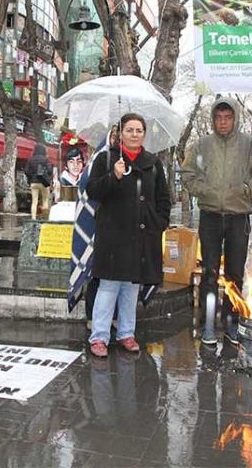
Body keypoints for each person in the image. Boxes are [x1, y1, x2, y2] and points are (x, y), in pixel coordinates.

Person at [181, 97, 252, 345]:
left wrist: (246, 190)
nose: (223, 122)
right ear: (213, 119)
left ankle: (231, 322)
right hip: (210, 216)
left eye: (227, 117)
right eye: (219, 117)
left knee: (234, 274)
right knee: (209, 272)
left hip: (237, 217)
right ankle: (208, 323)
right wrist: (203, 189)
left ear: (235, 118)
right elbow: (187, 174)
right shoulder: (201, 146)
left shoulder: (250, 145)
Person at [86, 113, 171, 357]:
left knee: (132, 287)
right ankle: (99, 337)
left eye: (139, 130)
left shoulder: (153, 163)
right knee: (109, 286)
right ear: (120, 133)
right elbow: (93, 190)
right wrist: (114, 176)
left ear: (144, 134)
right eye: (130, 130)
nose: (134, 134)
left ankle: (126, 333)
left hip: (142, 237)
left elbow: (163, 198)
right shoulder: (107, 158)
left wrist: (159, 223)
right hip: (113, 236)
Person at [25, 144, 51, 219]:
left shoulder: (31, 159)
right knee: (45, 200)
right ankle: (45, 217)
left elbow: (26, 171)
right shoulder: (45, 159)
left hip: (34, 183)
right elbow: (49, 171)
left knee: (34, 201)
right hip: (44, 182)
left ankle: (33, 218)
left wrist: (32, 176)